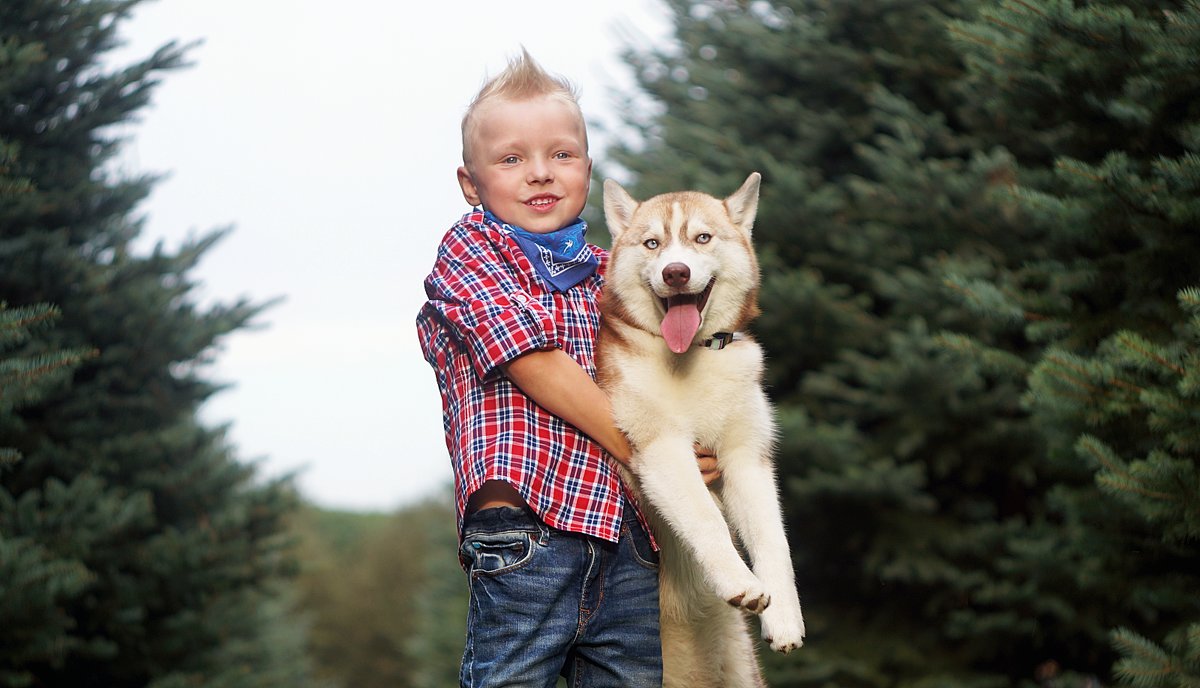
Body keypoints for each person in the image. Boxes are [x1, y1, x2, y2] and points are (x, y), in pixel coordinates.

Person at [416, 50, 716, 687]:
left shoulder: (621, 267)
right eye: (511, 158)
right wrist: (653, 451)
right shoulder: (472, 251)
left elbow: (674, 375)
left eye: (561, 154)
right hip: (527, 532)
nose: (539, 174)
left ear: (586, 166)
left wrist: (698, 452)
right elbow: (536, 363)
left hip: (634, 536)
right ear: (471, 184)